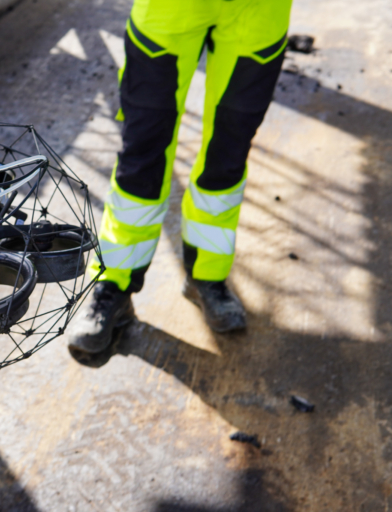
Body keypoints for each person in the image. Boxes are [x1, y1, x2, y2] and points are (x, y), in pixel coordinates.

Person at [68, 0, 292, 358]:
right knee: (143, 151)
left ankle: (207, 276)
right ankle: (113, 284)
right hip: (170, 9)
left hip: (258, 12)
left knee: (228, 152)